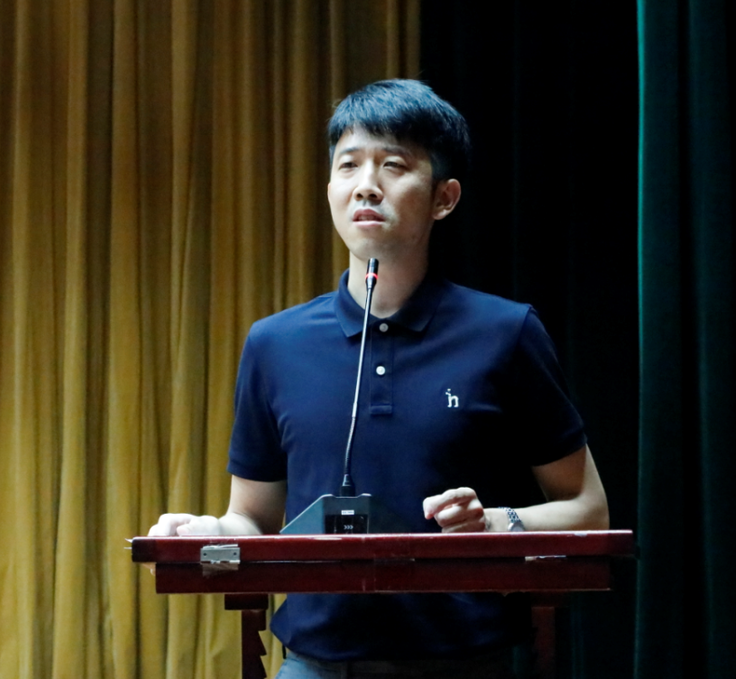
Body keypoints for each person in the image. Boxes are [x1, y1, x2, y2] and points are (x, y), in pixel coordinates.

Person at [148, 79, 609, 679]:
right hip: (316, 662)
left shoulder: (506, 332)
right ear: (330, 189)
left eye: (393, 165)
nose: (367, 184)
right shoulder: (274, 343)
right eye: (348, 165)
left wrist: (492, 523)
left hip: (467, 663)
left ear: (444, 198)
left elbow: (587, 510)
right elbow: (254, 520)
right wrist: (203, 531)